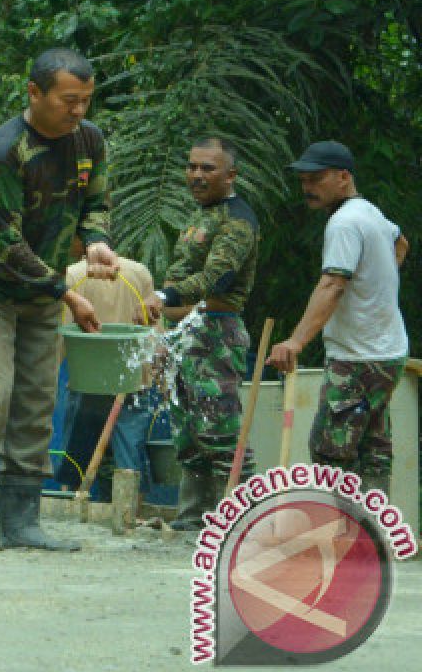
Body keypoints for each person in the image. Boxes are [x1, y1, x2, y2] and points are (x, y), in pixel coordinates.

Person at [0, 47, 116, 553]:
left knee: (39, 399)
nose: (78, 110)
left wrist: (99, 241)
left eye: (86, 100)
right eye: (68, 100)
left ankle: (22, 520)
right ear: (35, 94)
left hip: (42, 289)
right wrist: (67, 294)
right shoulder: (3, 151)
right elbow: (5, 244)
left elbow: (97, 205)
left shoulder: (91, 140)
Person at [267, 141, 409, 495]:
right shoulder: (371, 213)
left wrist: (296, 341)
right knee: (373, 450)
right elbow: (401, 242)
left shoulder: (344, 223)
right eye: (303, 180)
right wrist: (377, 285)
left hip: (356, 357)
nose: (307, 188)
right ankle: (374, 539)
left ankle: (337, 541)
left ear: (343, 177)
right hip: (388, 353)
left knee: (331, 453)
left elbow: (332, 285)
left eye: (316, 179)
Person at [140, 138, 259, 530]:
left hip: (216, 334)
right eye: (192, 166)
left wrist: (165, 295)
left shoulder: (238, 219)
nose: (197, 175)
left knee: (219, 429)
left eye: (208, 168)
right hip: (185, 333)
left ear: (231, 174)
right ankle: (193, 518)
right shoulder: (204, 214)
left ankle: (247, 522)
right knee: (187, 434)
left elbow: (218, 276)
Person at [61, 254, 157, 496]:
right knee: (129, 456)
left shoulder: (72, 275)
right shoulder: (140, 271)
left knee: (77, 455)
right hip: (132, 381)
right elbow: (155, 332)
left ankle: (72, 507)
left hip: (88, 380)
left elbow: (63, 334)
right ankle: (129, 512)